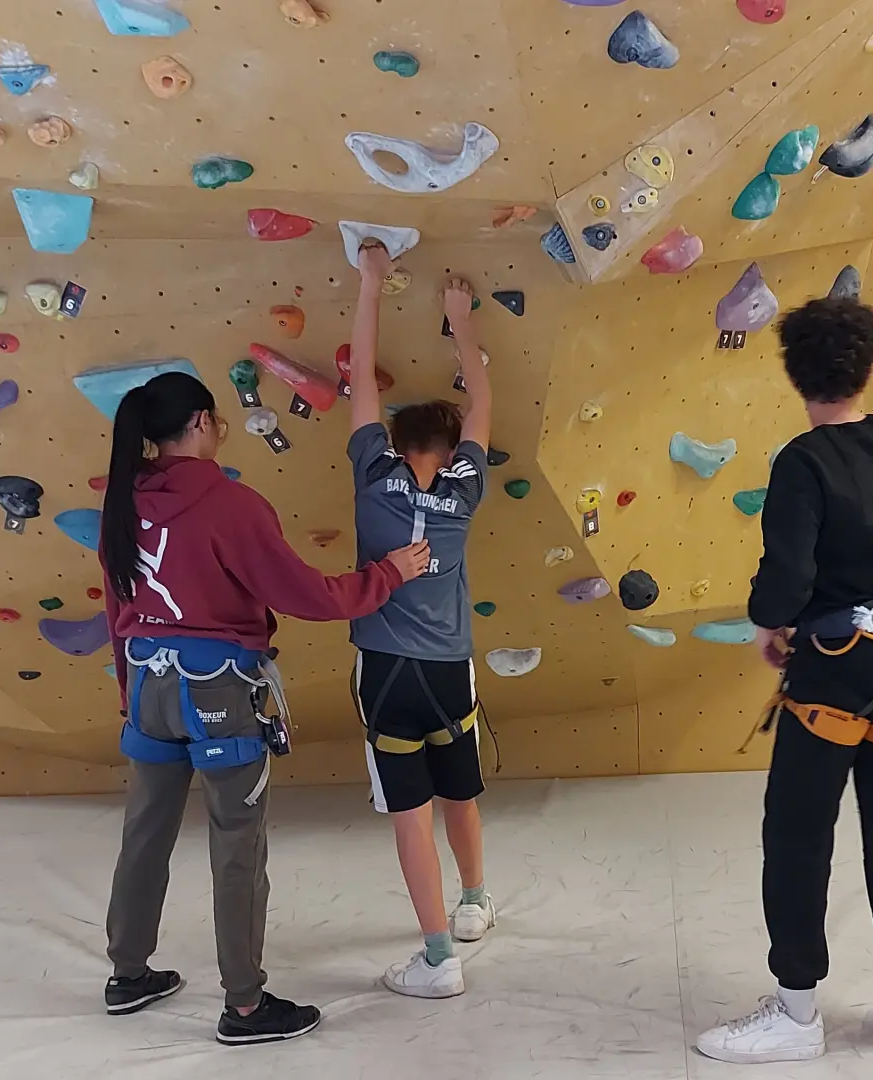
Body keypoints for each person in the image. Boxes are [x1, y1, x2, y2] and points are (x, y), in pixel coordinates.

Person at [97, 370, 430, 1045]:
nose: (220, 429)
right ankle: (245, 1007)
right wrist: (391, 573)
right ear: (198, 422)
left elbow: (117, 606)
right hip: (216, 688)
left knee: (145, 833)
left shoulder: (124, 501)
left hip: (148, 686)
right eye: (216, 419)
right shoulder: (231, 505)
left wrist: (130, 697)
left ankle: (127, 975)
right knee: (237, 846)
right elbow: (309, 595)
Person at [695, 297, 873, 1065]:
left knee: (798, 832)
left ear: (794, 375)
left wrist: (769, 625)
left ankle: (797, 1009)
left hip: (836, 674)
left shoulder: (803, 461)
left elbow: (787, 577)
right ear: (870, 365)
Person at [344, 240, 495, 1000]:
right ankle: (474, 902)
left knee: (410, 813)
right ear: (452, 448)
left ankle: (438, 958)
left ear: (396, 446)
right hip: (448, 671)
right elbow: (483, 404)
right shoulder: (467, 487)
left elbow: (360, 376)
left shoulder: (373, 476)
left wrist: (370, 282)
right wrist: (458, 319)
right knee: (459, 791)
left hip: (386, 673)